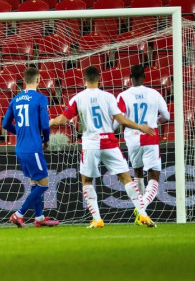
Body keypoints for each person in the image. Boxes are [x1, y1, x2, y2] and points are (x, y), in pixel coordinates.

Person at [49, 66, 157, 228]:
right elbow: (121, 120)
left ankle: (97, 219)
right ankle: (143, 214)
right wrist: (139, 127)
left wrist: (48, 122)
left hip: (90, 144)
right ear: (99, 79)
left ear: (84, 79)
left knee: (87, 180)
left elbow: (63, 119)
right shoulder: (108, 97)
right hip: (109, 142)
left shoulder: (78, 98)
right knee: (126, 178)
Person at [3, 67, 59, 228]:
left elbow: (5, 124)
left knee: (35, 183)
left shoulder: (15, 99)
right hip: (33, 147)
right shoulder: (40, 98)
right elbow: (44, 125)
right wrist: (46, 139)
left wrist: (20, 131)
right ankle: (18, 214)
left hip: (20, 148)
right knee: (44, 184)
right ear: (38, 79)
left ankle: (39, 218)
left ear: (24, 80)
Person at [115, 64, 170, 224]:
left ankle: (142, 212)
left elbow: (117, 122)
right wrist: (155, 121)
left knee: (137, 173)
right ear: (144, 77)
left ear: (130, 78)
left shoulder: (123, 96)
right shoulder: (154, 93)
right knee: (154, 177)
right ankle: (141, 207)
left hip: (132, 139)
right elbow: (166, 115)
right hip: (150, 135)